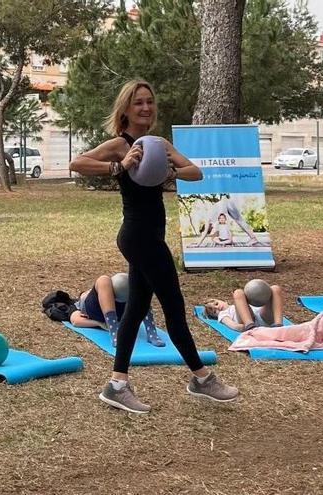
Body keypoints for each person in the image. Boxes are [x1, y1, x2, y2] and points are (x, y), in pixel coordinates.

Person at [69, 79, 239, 414]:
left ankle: (117, 385)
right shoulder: (120, 144)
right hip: (138, 236)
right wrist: (120, 166)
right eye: (138, 103)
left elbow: (196, 172)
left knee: (134, 310)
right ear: (126, 109)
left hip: (151, 236)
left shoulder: (158, 144)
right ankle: (202, 379)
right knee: (174, 307)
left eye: (149, 102)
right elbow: (78, 163)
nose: (145, 108)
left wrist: (168, 168)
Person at [69, 274, 165, 347]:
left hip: (122, 306)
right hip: (101, 313)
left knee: (138, 284)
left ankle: (151, 332)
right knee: (103, 279)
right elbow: (75, 321)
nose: (88, 291)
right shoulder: (78, 305)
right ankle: (115, 332)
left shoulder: (111, 290)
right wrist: (99, 323)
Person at [203, 284, 284, 331]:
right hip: (247, 322)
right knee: (238, 292)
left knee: (275, 288)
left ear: (223, 300)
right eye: (214, 312)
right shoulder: (223, 314)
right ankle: (250, 326)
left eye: (216, 304)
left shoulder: (235, 305)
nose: (218, 308)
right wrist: (241, 327)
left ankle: (278, 325)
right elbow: (232, 324)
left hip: (263, 318)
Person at [195, 194, 261, 247]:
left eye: (209, 229)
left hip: (226, 204)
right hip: (227, 204)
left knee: (239, 221)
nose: (211, 229)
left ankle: (253, 238)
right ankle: (253, 238)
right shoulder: (212, 220)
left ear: (206, 226)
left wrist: (198, 244)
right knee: (239, 221)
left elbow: (205, 233)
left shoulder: (207, 219)